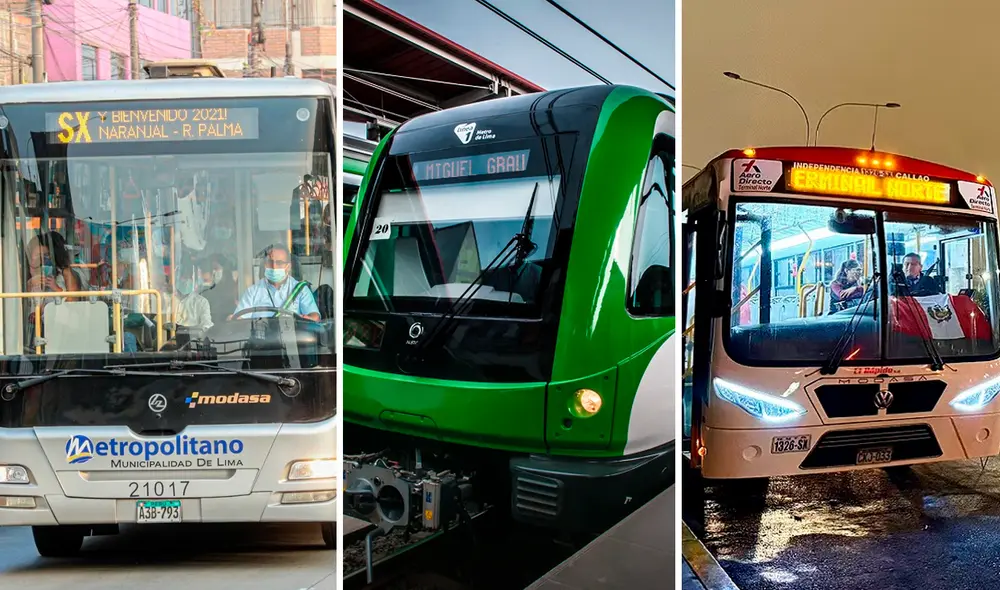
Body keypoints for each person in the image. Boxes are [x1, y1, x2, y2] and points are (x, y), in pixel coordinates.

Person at [232, 244, 320, 320]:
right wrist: (233, 320)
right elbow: (240, 319)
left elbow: (314, 316)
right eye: (270, 262)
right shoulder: (253, 291)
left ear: (288, 266)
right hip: (261, 338)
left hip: (293, 338)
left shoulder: (300, 289)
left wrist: (308, 318)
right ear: (265, 264)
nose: (274, 266)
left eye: (279, 263)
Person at [26, 232, 81, 299]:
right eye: (39, 256)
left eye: (46, 255)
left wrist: (56, 288)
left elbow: (71, 301)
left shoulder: (65, 274)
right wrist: (30, 284)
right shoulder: (29, 273)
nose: (43, 260)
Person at [174, 268, 213, 337]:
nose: (187, 281)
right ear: (176, 280)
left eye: (190, 278)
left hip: (193, 342)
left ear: (195, 282)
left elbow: (206, 323)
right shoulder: (168, 300)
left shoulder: (201, 302)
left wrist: (199, 330)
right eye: (184, 277)